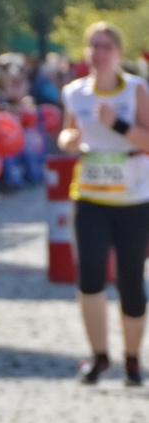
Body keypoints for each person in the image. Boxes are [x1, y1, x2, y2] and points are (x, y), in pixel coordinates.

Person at [60, 21, 149, 387]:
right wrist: (69, 138)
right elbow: (67, 132)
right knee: (90, 276)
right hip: (90, 196)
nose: (99, 53)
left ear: (118, 53)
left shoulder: (136, 90)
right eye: (93, 46)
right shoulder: (75, 93)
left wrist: (119, 125)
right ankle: (99, 357)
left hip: (133, 199)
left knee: (130, 280)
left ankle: (132, 359)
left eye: (106, 46)